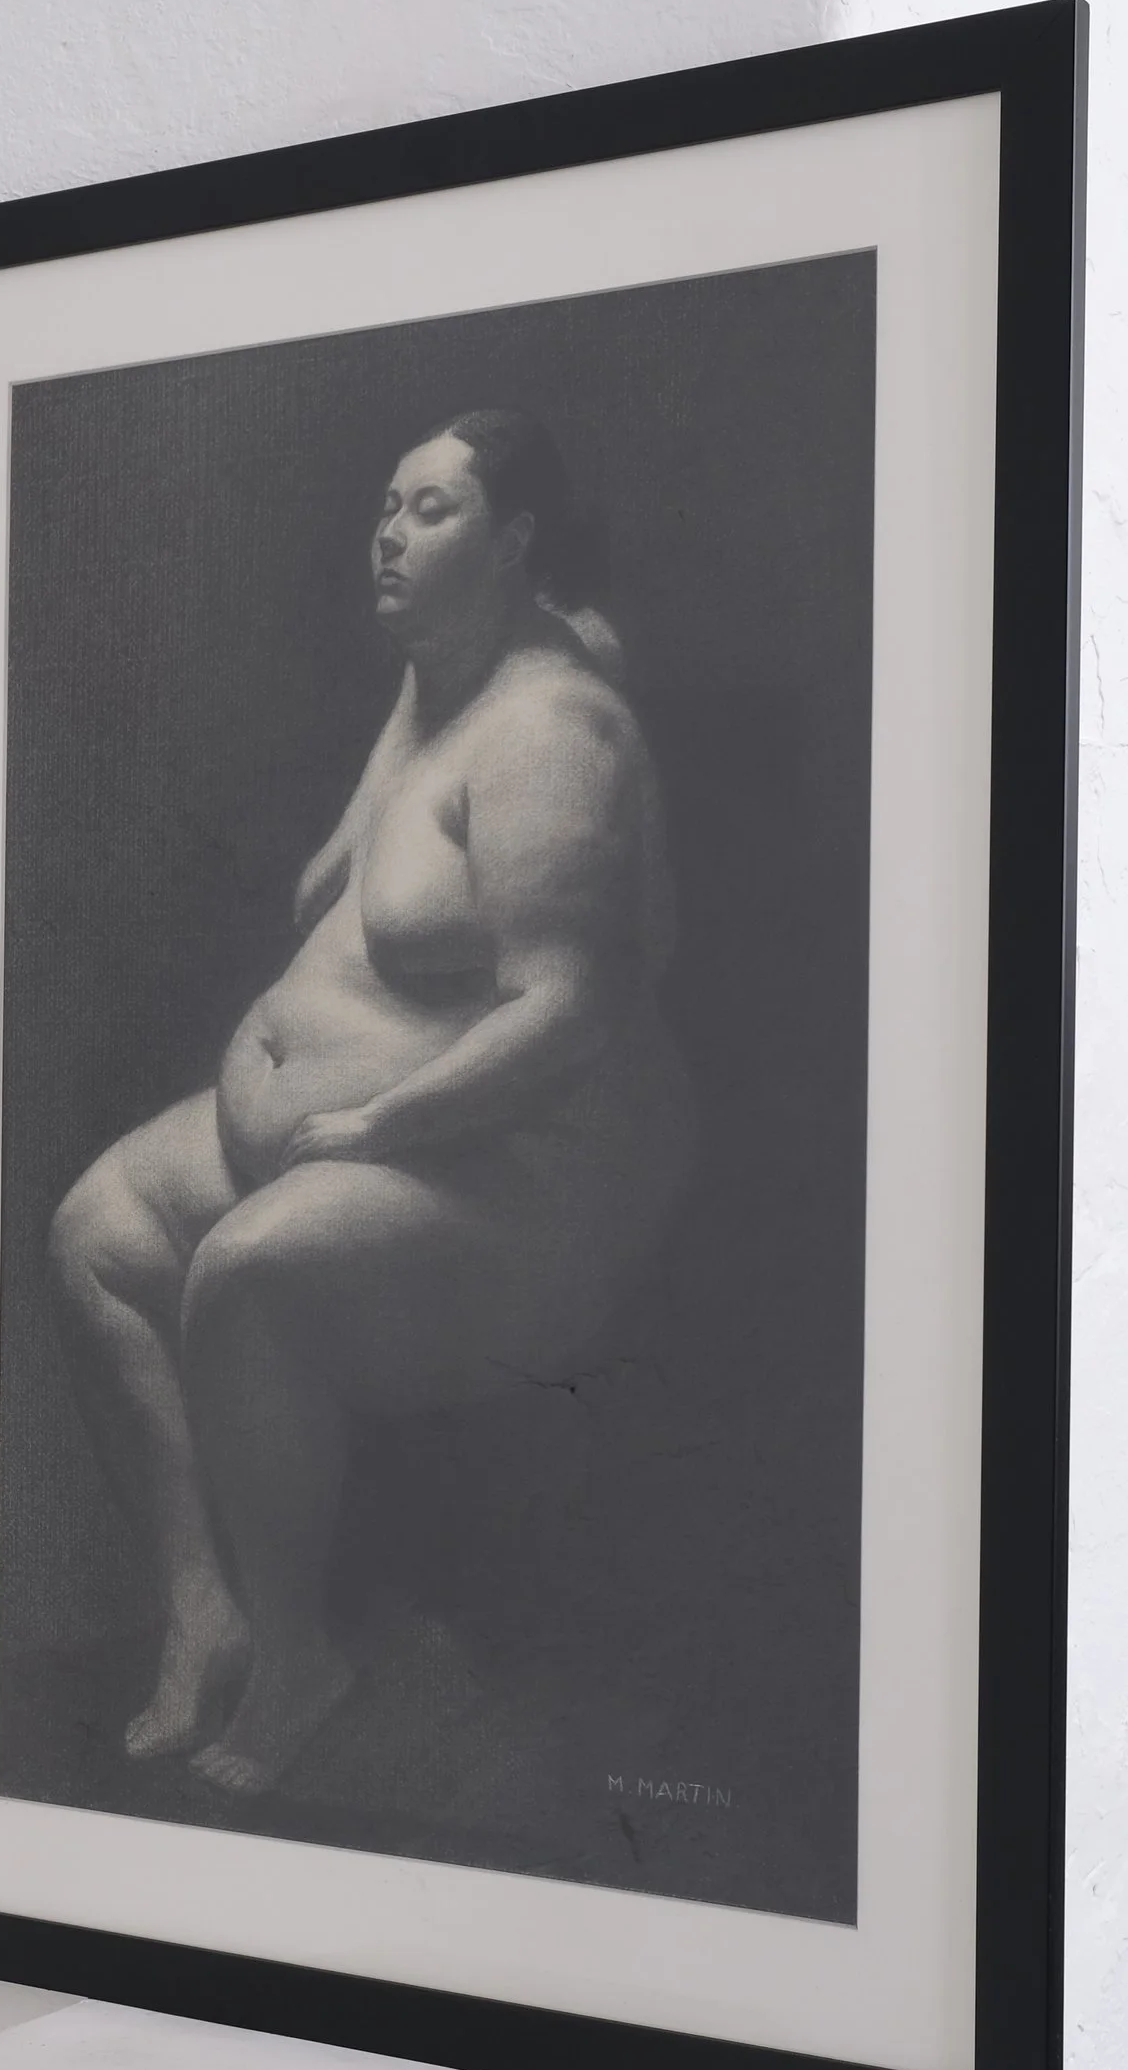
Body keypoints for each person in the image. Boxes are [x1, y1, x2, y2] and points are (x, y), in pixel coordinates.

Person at [47, 409, 693, 1795]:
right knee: (97, 1232)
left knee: (248, 1272)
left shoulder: (552, 733)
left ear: (514, 542)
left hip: (520, 1173)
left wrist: (372, 1126)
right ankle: (204, 1613)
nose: (389, 536)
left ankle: (299, 1661)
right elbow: (350, 886)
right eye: (387, 507)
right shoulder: (437, 678)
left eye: (433, 511)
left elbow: (565, 1014)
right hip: (365, 1136)